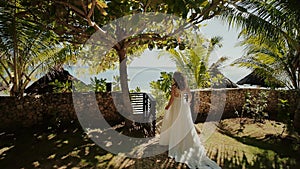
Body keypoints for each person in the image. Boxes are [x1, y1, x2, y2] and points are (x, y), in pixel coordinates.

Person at [159, 71, 221, 169]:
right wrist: (187, 103)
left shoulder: (174, 87)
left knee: (176, 124)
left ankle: (177, 142)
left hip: (177, 106)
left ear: (175, 78)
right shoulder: (185, 86)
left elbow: (172, 98)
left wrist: (167, 107)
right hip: (184, 107)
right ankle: (186, 142)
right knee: (185, 124)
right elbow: (190, 96)